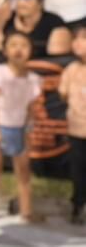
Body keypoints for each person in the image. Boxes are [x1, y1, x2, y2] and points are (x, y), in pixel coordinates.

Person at [0, 32, 42, 223]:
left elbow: (32, 108)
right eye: (13, 45)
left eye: (24, 45)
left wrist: (28, 130)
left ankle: (26, 210)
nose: (18, 50)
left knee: (23, 171)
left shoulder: (34, 79)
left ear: (31, 51)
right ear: (5, 49)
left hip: (19, 127)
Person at [0, 0, 71, 59]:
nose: (21, 3)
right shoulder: (7, 19)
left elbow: (58, 60)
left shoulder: (55, 22)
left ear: (40, 2)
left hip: (43, 73)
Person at [59, 23, 86, 224]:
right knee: (78, 168)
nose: (77, 43)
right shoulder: (72, 69)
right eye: (75, 38)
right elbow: (63, 93)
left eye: (83, 38)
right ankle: (78, 204)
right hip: (77, 129)